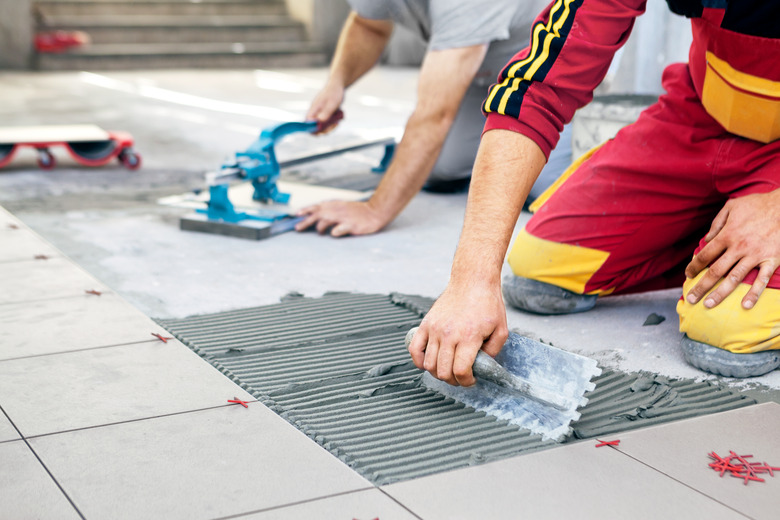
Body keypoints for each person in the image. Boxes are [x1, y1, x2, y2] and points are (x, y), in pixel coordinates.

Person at [409, 0, 780, 382]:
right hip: (708, 112)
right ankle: (718, 230)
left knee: (727, 334)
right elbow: (539, 84)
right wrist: (470, 281)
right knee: (541, 267)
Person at [294, 0, 564, 237]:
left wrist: (375, 210)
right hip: (482, 74)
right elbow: (369, 26)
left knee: (545, 186)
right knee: (439, 168)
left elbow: (435, 114)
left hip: (551, 75)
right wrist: (337, 84)